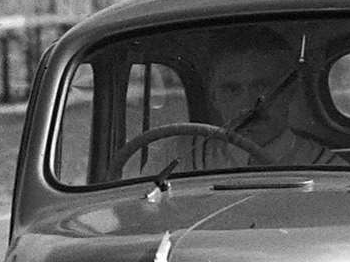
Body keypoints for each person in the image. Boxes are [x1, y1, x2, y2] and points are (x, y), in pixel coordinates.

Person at [134, 37, 331, 173]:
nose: (248, 104)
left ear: (290, 92)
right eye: (231, 89)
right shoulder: (178, 157)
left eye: (262, 87)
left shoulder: (324, 165)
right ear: (213, 98)